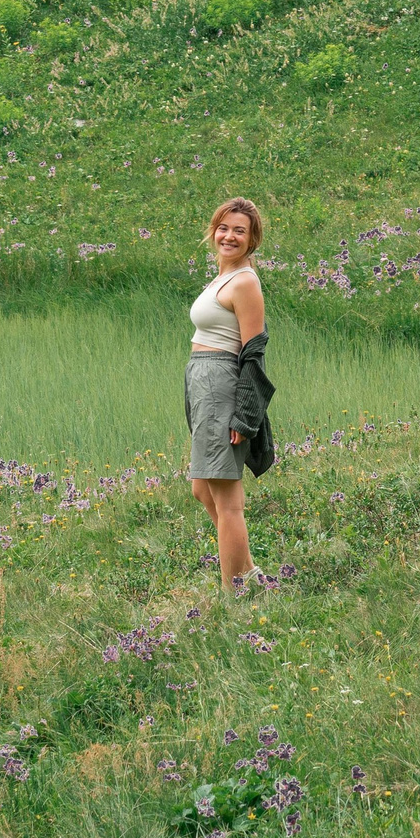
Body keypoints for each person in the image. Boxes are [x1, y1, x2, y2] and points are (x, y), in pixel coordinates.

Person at [185, 197, 275, 590]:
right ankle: (250, 576)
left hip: (221, 385)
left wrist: (245, 413)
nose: (229, 236)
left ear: (252, 239)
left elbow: (253, 351)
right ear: (214, 231)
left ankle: (233, 592)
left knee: (227, 499)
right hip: (204, 383)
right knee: (202, 488)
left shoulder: (245, 282)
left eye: (240, 231)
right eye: (224, 228)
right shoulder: (223, 277)